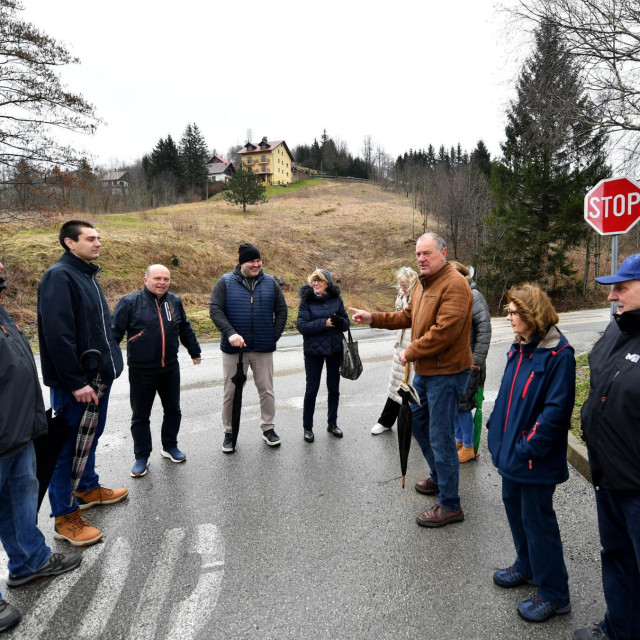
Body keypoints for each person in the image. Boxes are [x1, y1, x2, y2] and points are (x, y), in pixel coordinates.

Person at [350, 232, 473, 528]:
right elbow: (407, 316)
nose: (421, 259)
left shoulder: (455, 285)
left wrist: (411, 351)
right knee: (416, 420)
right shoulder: (422, 285)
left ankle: (450, 505)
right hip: (426, 373)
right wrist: (373, 318)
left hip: (447, 373)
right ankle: (438, 476)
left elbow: (444, 332)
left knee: (440, 435)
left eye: (427, 253)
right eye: (418, 254)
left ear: (443, 254)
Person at [0, 260, 81, 633]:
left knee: (19, 504)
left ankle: (29, 562)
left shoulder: (1, 309)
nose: (4, 263)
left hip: (17, 433)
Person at [487, 283, 574, 623]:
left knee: (539, 522)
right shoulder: (519, 348)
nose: (508, 317)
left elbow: (554, 414)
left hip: (533, 459)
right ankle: (527, 566)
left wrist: (526, 447)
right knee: (516, 511)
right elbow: (508, 395)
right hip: (513, 456)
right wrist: (497, 429)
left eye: (513, 312)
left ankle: (555, 594)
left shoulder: (558, 354)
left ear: (531, 314)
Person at [37, 220, 127, 547]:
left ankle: (87, 487)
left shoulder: (86, 275)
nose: (98, 243)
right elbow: (57, 336)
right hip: (76, 384)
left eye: (99, 237)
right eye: (90, 238)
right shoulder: (59, 277)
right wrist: (75, 382)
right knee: (65, 449)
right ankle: (65, 516)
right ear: (69, 243)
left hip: (98, 378)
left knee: (90, 438)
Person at [573, 254, 640, 640]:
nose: (612, 296)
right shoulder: (617, 329)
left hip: (637, 488)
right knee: (616, 557)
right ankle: (619, 630)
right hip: (609, 476)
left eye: (621, 287)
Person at [112, 264, 202, 478]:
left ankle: (170, 446)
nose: (162, 282)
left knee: (173, 410)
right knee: (140, 415)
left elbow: (184, 328)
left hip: (170, 367)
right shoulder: (129, 302)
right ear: (145, 280)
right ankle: (141, 456)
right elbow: (113, 334)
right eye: (157, 278)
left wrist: (194, 351)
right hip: (141, 370)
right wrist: (109, 362)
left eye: (166, 279)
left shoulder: (174, 301)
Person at [209, 243, 288, 452]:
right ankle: (229, 431)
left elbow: (282, 310)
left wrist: (274, 335)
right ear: (241, 262)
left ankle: (268, 428)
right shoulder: (225, 282)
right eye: (251, 261)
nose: (256, 264)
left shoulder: (270, 282)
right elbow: (215, 310)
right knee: (231, 392)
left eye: (258, 260)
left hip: (263, 348)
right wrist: (230, 333)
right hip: (234, 350)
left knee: (266, 390)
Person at [296, 268, 350, 443]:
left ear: (327, 283)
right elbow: (302, 326)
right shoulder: (306, 301)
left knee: (334, 389)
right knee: (312, 389)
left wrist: (341, 322)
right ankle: (308, 427)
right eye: (314, 280)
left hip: (334, 349)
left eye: (319, 280)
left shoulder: (337, 299)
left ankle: (332, 424)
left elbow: (346, 323)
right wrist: (324, 323)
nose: (316, 284)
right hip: (313, 351)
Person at [449, 262, 492, 463]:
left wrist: (477, 359)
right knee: (456, 403)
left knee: (463, 405)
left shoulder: (474, 297)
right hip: (456, 362)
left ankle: (470, 446)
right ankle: (460, 441)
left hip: (471, 362)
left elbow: (484, 330)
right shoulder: (456, 297)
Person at [371, 266, 419, 435]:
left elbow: (409, 317)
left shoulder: (418, 296)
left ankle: (410, 423)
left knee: (408, 386)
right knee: (396, 384)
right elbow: (398, 316)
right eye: (400, 285)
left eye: (404, 285)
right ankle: (386, 421)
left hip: (412, 344)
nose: (402, 288)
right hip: (400, 343)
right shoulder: (403, 295)